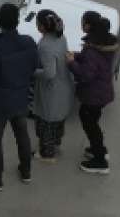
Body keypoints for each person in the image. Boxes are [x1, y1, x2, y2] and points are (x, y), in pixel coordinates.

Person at [0, 4, 39, 189]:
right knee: (22, 134)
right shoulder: (28, 42)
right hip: (20, 97)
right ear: (17, 20)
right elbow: (34, 65)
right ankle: (26, 171)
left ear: (0, 22)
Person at [67, 11, 118, 174]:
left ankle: (100, 161)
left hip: (94, 95)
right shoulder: (102, 43)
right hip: (102, 92)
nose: (82, 24)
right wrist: (77, 56)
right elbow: (91, 61)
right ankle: (99, 150)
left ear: (89, 25)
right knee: (92, 121)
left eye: (83, 22)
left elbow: (85, 75)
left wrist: (71, 63)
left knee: (90, 124)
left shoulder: (93, 50)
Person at [32, 10, 75, 163]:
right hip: (64, 86)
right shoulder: (61, 38)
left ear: (43, 27)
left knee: (47, 122)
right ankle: (56, 145)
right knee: (58, 120)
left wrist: (32, 71)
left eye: (37, 22)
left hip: (52, 91)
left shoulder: (45, 45)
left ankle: (47, 154)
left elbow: (49, 73)